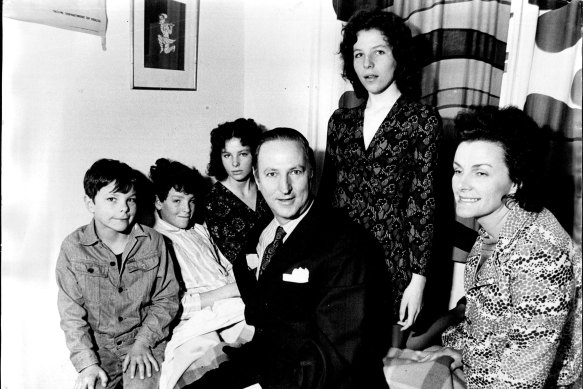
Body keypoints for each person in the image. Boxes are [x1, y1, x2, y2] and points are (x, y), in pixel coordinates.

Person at [186, 128, 393, 389]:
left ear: (311, 173)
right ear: (257, 179)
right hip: (269, 364)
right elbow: (266, 332)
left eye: (295, 172)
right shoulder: (263, 232)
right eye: (272, 174)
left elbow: (336, 357)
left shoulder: (346, 244)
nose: (284, 188)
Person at [420, 106, 582, 388]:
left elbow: (522, 380)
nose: (462, 184)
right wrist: (455, 351)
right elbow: (486, 321)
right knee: (381, 371)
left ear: (516, 181)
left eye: (480, 173)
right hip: (476, 368)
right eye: (458, 171)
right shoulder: (493, 230)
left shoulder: (539, 256)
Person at [320, 9, 442, 346]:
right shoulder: (339, 121)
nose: (367, 64)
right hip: (341, 263)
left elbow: (423, 205)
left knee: (386, 364)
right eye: (359, 54)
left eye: (379, 52)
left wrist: (417, 282)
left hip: (394, 263)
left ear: (398, 56)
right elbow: (327, 198)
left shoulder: (421, 120)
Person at [56, 159, 180, 389]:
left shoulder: (154, 242)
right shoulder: (73, 247)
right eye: (112, 199)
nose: (124, 208)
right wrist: (87, 364)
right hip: (99, 351)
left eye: (130, 199)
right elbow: (71, 313)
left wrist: (143, 342)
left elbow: (167, 299)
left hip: (145, 344)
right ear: (90, 203)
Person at [149, 158, 250, 389]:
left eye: (191, 201)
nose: (186, 209)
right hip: (196, 323)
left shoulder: (199, 230)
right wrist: (229, 291)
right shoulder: (154, 242)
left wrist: (244, 284)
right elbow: (172, 306)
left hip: (233, 310)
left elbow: (226, 269)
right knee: (215, 368)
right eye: (177, 201)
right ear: (157, 201)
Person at [205, 118, 272, 263]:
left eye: (243, 154)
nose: (235, 163)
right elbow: (239, 258)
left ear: (255, 153)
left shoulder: (268, 186)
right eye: (227, 155)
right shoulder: (214, 201)